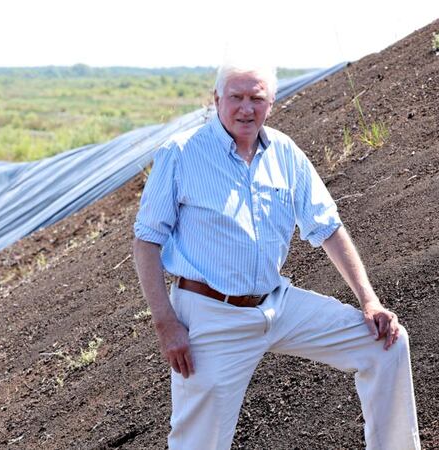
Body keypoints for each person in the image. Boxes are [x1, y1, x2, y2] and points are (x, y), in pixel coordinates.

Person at [132, 62, 420, 449]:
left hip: (277, 304)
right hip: (211, 315)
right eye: (236, 97)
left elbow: (328, 227)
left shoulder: (285, 152)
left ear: (272, 103)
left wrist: (369, 301)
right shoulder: (181, 154)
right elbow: (147, 240)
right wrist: (165, 322)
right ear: (216, 100)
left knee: (385, 344)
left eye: (257, 98)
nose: (246, 108)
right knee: (198, 442)